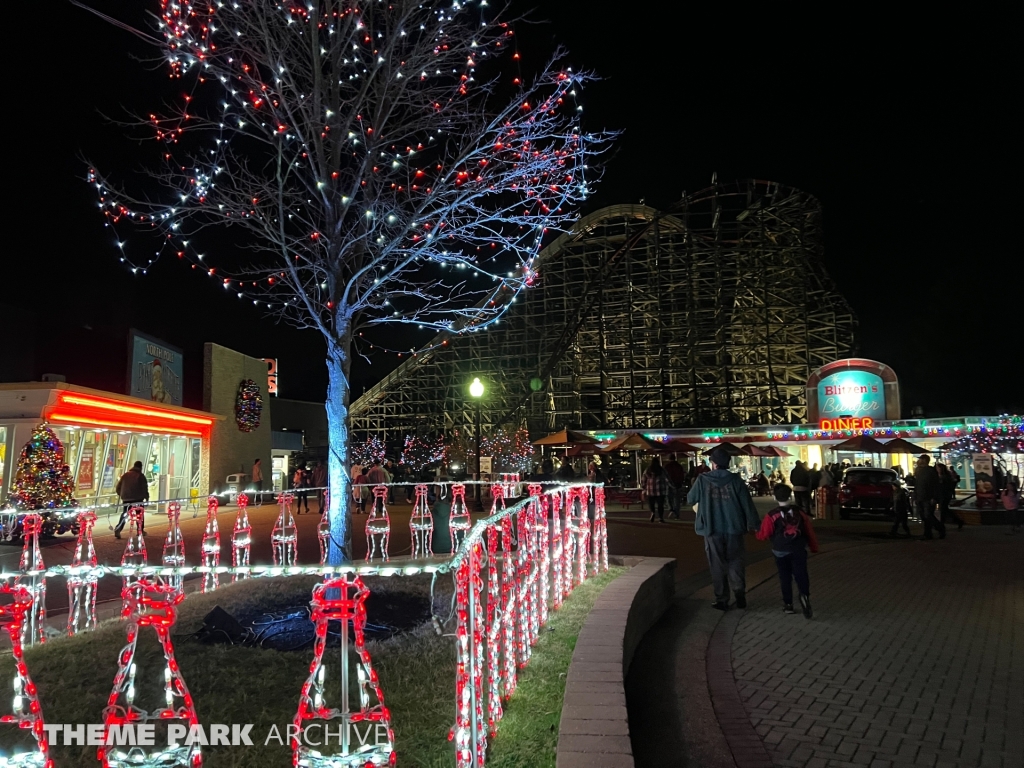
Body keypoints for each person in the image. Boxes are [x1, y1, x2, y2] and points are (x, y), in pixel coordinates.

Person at [687, 446, 761, 611]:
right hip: (734, 527)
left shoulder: (702, 480)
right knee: (736, 560)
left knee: (717, 564)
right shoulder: (736, 481)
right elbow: (748, 506)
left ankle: (722, 599)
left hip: (712, 529)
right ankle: (739, 592)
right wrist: (756, 525)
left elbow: (690, 499)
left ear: (713, 463)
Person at [756, 484, 819, 618]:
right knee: (801, 574)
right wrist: (813, 546)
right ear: (790, 496)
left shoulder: (772, 515)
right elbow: (809, 531)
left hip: (780, 550)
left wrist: (756, 533)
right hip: (798, 548)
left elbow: (764, 534)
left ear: (775, 498)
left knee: (785, 576)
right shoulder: (800, 512)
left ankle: (788, 604)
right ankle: (804, 596)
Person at [913, 455, 945, 540]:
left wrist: (934, 497)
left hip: (928, 497)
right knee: (924, 516)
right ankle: (932, 532)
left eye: (920, 459)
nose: (918, 461)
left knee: (928, 516)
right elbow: (917, 485)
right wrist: (915, 496)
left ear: (924, 460)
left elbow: (935, 485)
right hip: (920, 497)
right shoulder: (919, 471)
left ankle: (933, 532)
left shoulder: (930, 471)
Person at [114, 461, 150, 538]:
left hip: (126, 498)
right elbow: (144, 488)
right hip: (137, 498)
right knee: (139, 515)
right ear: (140, 467)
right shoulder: (140, 476)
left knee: (125, 514)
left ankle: (118, 528)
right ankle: (140, 530)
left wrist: (121, 494)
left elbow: (118, 487)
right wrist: (146, 498)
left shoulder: (125, 475)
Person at [935, 462, 964, 530]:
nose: (937, 470)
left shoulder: (944, 477)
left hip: (944, 495)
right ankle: (957, 521)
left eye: (938, 468)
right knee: (945, 510)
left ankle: (942, 524)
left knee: (943, 509)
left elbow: (944, 487)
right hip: (944, 495)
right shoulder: (943, 476)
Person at [641, 457, 669, 523]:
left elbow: (643, 479)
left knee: (651, 503)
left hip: (650, 490)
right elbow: (667, 478)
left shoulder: (648, 469)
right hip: (660, 489)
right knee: (660, 505)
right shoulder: (662, 470)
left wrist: (644, 487)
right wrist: (670, 485)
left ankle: (653, 512)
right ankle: (661, 518)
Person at [663, 453, 687, 519]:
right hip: (678, 484)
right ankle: (676, 514)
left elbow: (665, 476)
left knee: (668, 497)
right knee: (677, 500)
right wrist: (681, 482)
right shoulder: (679, 466)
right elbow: (682, 475)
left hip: (669, 484)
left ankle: (671, 509)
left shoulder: (667, 466)